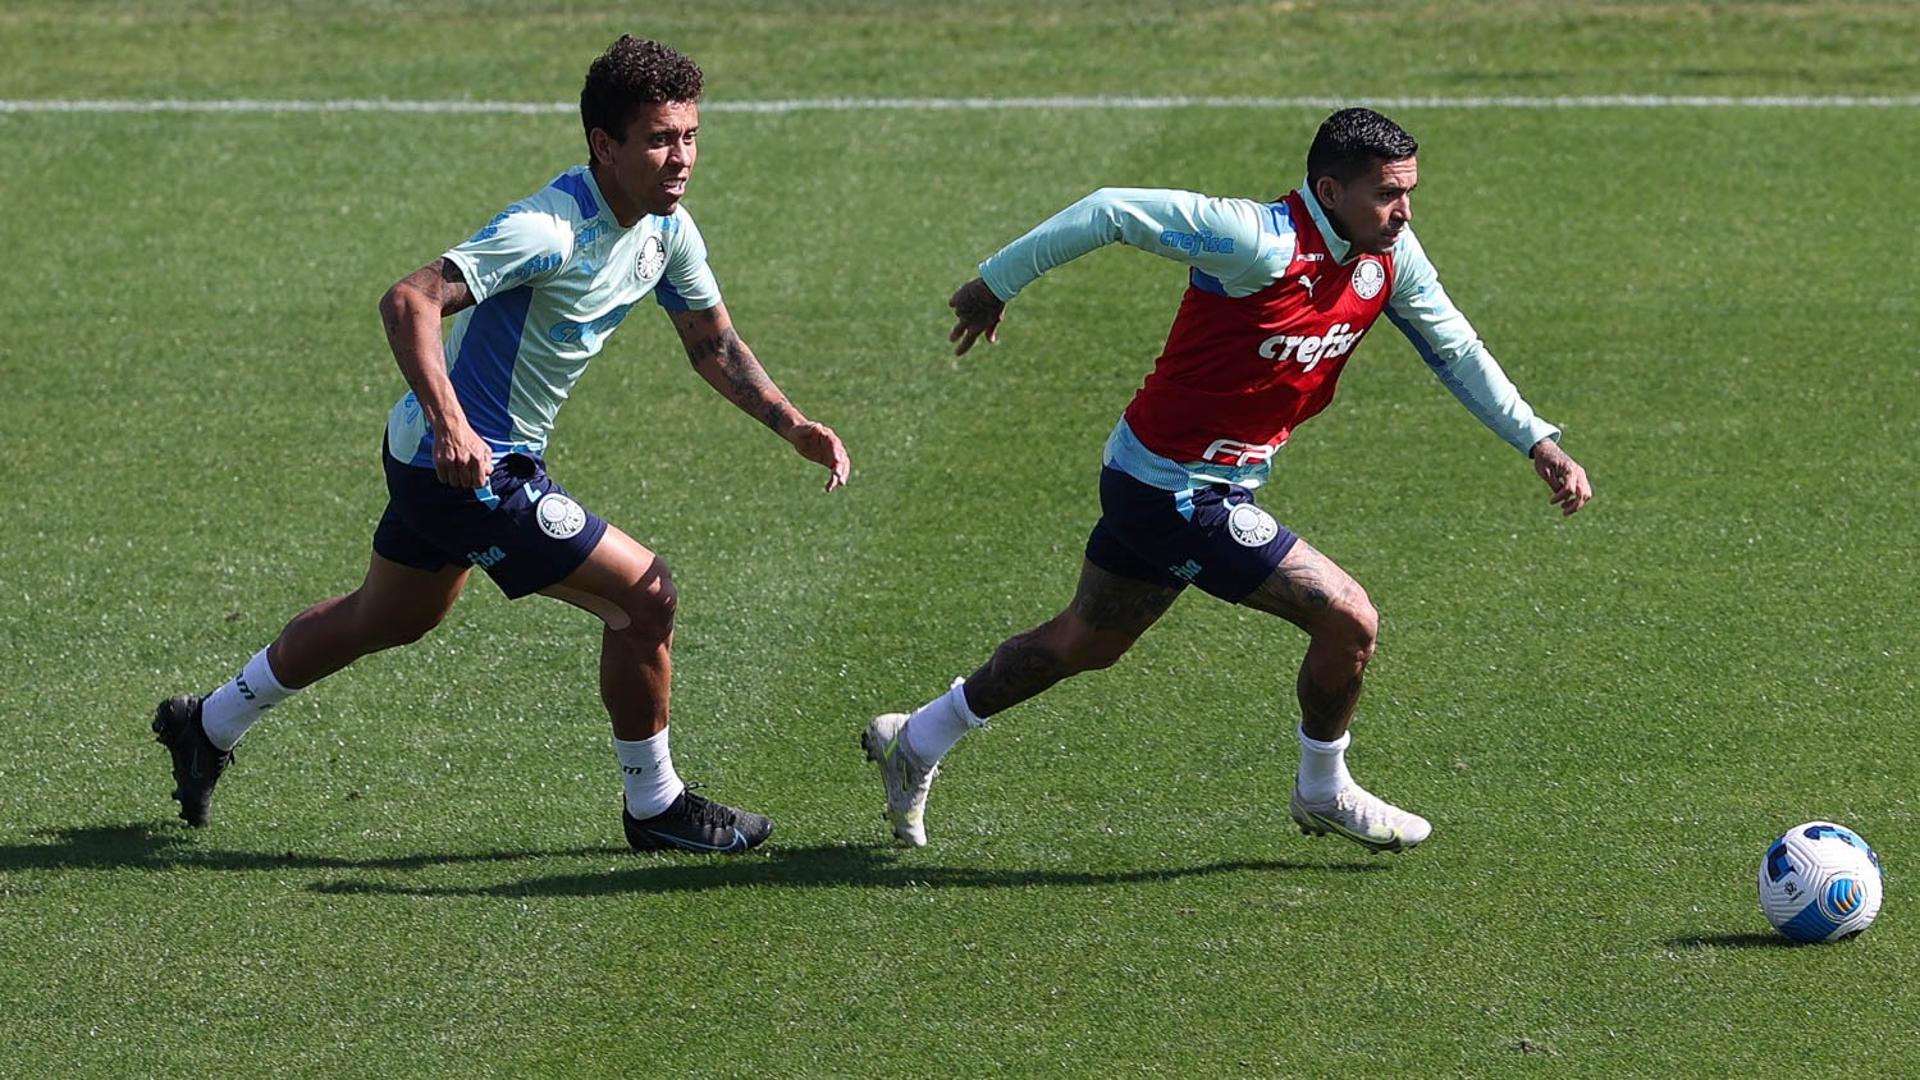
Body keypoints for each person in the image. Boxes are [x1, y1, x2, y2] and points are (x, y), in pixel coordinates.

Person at [152, 36, 849, 854]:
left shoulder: (668, 232)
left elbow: (711, 343)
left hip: (437, 456)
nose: (681, 157)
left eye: (690, 135)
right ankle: (656, 806)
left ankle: (207, 723)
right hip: (467, 464)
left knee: (389, 615)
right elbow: (408, 299)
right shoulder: (548, 229)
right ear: (605, 145)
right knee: (646, 597)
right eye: (660, 139)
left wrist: (791, 423)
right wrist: (452, 423)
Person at [864, 108, 1591, 853]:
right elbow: (1112, 209)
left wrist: (1536, 438)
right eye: (1386, 194)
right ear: (1330, 190)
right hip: (1175, 491)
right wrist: (997, 282)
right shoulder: (1255, 241)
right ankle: (1323, 788)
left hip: (1172, 478)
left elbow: (1455, 348)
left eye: (1409, 193)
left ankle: (916, 738)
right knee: (1349, 620)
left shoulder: (1389, 256)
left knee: (1087, 641)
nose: (1403, 212)